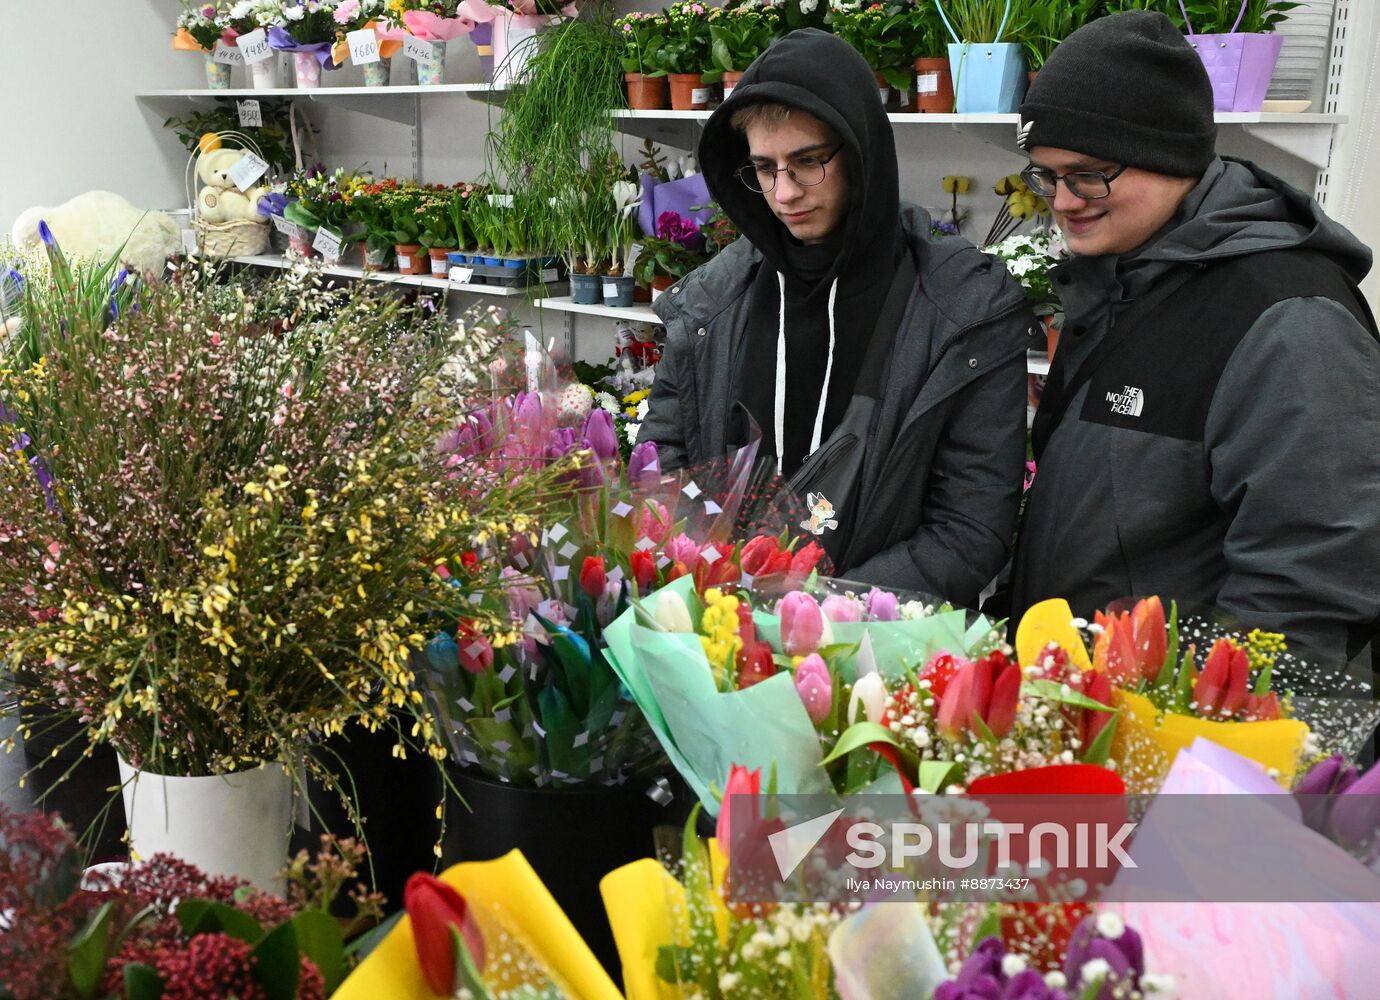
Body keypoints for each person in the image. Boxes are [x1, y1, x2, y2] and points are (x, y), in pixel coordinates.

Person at [1008, 11, 1380, 668]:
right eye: (1046, 175)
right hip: (1094, 713)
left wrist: (1210, 748)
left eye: (1087, 173)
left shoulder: (1290, 320)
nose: (1063, 201)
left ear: (1170, 154)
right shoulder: (1122, 282)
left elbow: (1310, 598)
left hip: (1184, 738)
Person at [638, 28, 1040, 607]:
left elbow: (971, 524)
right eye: (764, 169)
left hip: (881, 651)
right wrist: (712, 582)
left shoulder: (964, 312)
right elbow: (663, 463)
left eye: (807, 163)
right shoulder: (711, 301)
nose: (784, 193)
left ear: (860, 153)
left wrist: (832, 609)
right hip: (724, 630)